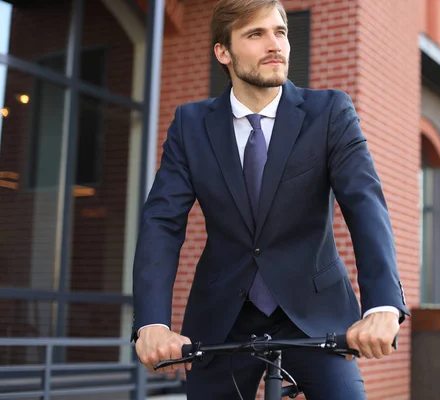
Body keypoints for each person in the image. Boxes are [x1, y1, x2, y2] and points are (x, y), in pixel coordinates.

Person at [131, 0, 409, 398]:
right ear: (223, 52)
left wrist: (382, 306)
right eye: (255, 34)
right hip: (223, 316)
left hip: (316, 314)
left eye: (280, 32)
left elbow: (365, 205)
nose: (274, 44)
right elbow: (162, 223)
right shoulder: (191, 125)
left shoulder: (329, 112)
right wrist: (151, 323)